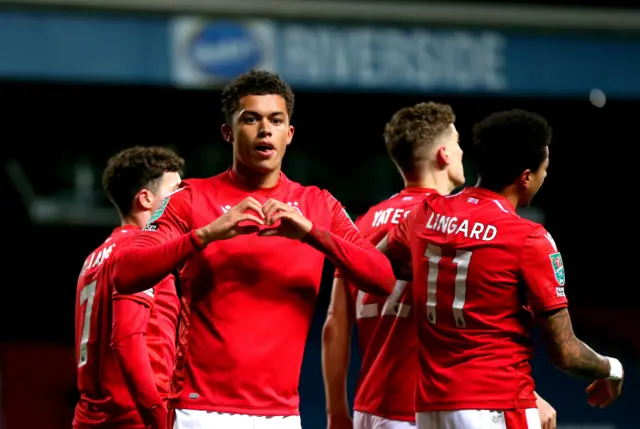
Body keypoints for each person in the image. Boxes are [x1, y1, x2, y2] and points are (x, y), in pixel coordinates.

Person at [110, 70, 396, 429]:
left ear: (289, 134)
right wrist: (206, 235)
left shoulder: (317, 205)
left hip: (282, 416)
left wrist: (311, 234)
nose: (265, 130)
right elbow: (125, 272)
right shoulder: (190, 198)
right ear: (228, 132)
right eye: (251, 119)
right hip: (200, 413)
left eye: (276, 120)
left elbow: (383, 278)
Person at [378, 109, 623, 429]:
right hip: (498, 406)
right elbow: (565, 352)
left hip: (430, 408)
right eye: (544, 169)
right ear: (526, 177)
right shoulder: (529, 239)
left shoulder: (428, 213)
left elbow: (375, 265)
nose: (545, 176)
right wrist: (611, 368)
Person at [323, 104, 558, 429]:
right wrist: (529, 395)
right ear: (445, 154)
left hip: (370, 405)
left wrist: (336, 412)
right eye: (459, 144)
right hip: (423, 408)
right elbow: (469, 320)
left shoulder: (363, 223)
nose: (464, 152)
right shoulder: (444, 221)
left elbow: (334, 324)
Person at [73, 146, 184, 429]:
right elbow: (127, 340)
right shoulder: (141, 255)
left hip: (92, 418)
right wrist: (159, 418)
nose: (184, 199)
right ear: (146, 199)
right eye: (176, 190)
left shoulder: (93, 258)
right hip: (137, 417)